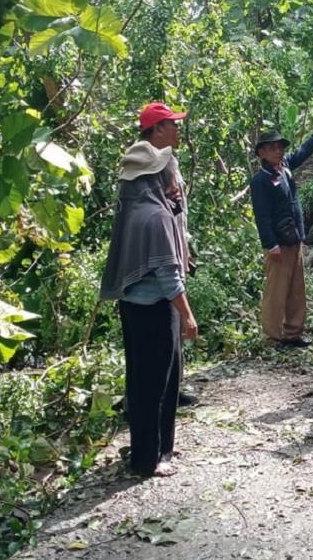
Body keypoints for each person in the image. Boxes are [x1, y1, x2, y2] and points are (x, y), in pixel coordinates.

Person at [100, 137, 199, 477]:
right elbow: (169, 278)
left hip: (132, 308)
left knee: (140, 382)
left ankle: (147, 452)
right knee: (160, 384)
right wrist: (187, 316)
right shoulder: (155, 217)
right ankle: (152, 458)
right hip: (157, 309)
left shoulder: (131, 208)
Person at [251, 115, 313, 347]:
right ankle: (272, 337)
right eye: (272, 148)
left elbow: (303, 151)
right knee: (276, 292)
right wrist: (271, 243)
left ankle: (293, 333)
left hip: (294, 238)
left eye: (279, 147)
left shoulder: (285, 167)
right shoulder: (261, 180)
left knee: (296, 290)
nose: (277, 151)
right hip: (278, 243)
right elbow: (262, 215)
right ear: (262, 153)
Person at [137, 102, 198, 407]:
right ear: (157, 129)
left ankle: (173, 388)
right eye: (172, 124)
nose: (178, 129)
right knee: (154, 334)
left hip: (174, 252)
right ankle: (150, 398)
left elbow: (177, 214)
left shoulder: (168, 161)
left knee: (172, 327)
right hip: (155, 262)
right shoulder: (143, 164)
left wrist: (184, 249)